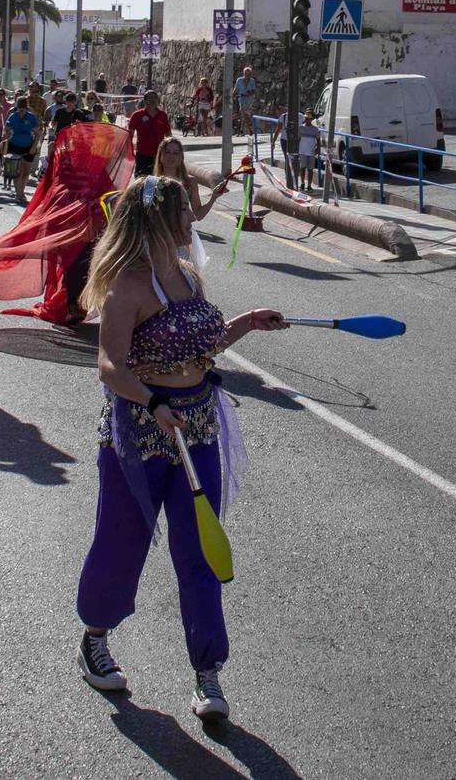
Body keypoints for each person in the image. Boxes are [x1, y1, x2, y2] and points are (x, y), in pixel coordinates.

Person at [71, 175, 288, 719]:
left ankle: (207, 675)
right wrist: (149, 402)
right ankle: (95, 638)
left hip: (197, 427)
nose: (192, 220)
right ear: (160, 222)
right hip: (141, 433)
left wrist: (246, 324)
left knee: (199, 555)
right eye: (185, 216)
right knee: (122, 543)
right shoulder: (128, 285)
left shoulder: (187, 276)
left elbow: (204, 346)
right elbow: (109, 365)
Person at [0, 119, 133, 325]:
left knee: (84, 263)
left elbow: (108, 191)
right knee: (71, 265)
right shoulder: (67, 160)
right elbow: (55, 187)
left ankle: (75, 303)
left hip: (88, 224)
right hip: (66, 222)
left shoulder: (98, 164)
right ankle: (70, 304)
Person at [126, 90, 172, 183]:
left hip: (159, 155)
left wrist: (169, 151)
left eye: (154, 98)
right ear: (145, 101)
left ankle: (155, 198)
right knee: (141, 182)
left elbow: (168, 134)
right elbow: (129, 135)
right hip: (143, 155)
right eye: (149, 98)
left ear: (158, 101)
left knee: (159, 182)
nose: (152, 100)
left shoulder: (162, 115)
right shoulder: (137, 115)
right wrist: (129, 152)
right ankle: (144, 197)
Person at [4, 96, 41, 204]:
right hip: (15, 145)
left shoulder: (31, 117)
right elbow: (7, 130)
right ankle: (18, 193)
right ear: (17, 106)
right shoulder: (13, 116)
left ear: (27, 107)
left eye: (24, 107)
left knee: (26, 172)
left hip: (28, 146)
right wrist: (4, 138)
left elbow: (37, 133)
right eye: (20, 106)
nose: (22, 109)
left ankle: (22, 191)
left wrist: (34, 147)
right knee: (18, 172)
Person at [232, 67, 257, 136]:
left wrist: (250, 93)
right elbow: (236, 89)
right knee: (244, 114)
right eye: (246, 73)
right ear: (244, 73)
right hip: (242, 99)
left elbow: (254, 91)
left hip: (249, 100)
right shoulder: (239, 80)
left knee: (245, 115)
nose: (247, 75)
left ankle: (241, 130)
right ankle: (250, 128)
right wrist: (232, 95)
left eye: (249, 74)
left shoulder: (252, 81)